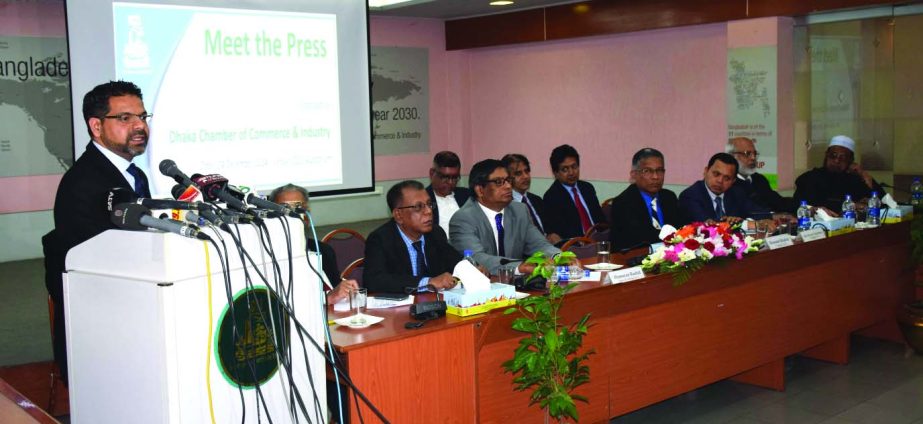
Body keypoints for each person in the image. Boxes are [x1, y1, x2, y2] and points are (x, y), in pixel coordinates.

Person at [42, 81, 153, 383]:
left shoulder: (133, 174)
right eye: (125, 118)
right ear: (96, 126)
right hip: (103, 329)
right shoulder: (84, 182)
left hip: (135, 310)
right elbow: (101, 264)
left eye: (142, 117)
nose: (139, 125)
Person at [450, 159, 560, 275]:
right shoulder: (463, 219)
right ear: (480, 190)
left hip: (517, 285)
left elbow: (539, 244)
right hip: (483, 286)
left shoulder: (519, 210)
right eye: (498, 182)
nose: (508, 186)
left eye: (508, 180)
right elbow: (476, 259)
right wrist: (519, 267)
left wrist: (560, 257)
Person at [364, 180, 463, 294]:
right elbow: (374, 281)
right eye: (418, 207)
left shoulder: (435, 233)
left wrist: (471, 268)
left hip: (433, 304)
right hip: (400, 308)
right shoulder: (380, 239)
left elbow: (455, 262)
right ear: (398, 215)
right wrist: (427, 282)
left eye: (429, 204)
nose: (429, 211)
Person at [268, 184, 357, 304]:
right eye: (284, 207)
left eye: (298, 207)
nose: (291, 213)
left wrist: (345, 290)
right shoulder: (265, 254)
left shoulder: (323, 250)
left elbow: (336, 291)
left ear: (307, 218)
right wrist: (325, 299)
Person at [608, 148, 682, 251]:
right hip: (637, 260)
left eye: (660, 171)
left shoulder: (669, 197)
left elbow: (680, 232)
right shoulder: (623, 203)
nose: (655, 177)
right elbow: (631, 243)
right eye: (647, 171)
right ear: (634, 174)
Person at [794, 135, 885, 213]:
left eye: (843, 158)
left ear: (851, 160)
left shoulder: (854, 180)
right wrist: (853, 205)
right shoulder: (810, 178)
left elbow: (884, 202)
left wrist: (865, 175)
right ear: (826, 155)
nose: (837, 160)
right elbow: (813, 203)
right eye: (833, 155)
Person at [679, 152, 771, 224]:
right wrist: (739, 224)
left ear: (733, 181)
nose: (720, 181)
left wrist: (745, 222)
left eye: (727, 178)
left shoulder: (737, 193)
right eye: (716, 174)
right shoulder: (690, 196)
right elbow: (709, 226)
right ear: (706, 171)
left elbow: (764, 214)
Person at [542, 144, 606, 243]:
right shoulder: (551, 197)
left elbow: (601, 220)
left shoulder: (587, 188)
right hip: (577, 248)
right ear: (555, 173)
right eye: (565, 169)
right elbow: (559, 234)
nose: (571, 172)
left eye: (574, 166)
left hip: (599, 242)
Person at [727, 137, 799, 214]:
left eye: (754, 154)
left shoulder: (759, 179)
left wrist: (805, 207)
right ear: (732, 156)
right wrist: (771, 216)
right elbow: (747, 211)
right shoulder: (728, 183)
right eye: (747, 154)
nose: (753, 158)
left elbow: (779, 202)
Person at [426, 151, 471, 237]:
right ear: (432, 173)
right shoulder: (423, 199)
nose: (450, 182)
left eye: (455, 177)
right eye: (445, 177)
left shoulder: (467, 195)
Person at [501, 153, 547, 235]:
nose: (525, 176)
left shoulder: (537, 200)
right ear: (507, 178)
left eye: (527, 171)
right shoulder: (505, 205)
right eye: (518, 173)